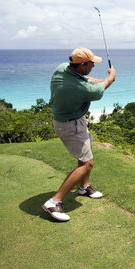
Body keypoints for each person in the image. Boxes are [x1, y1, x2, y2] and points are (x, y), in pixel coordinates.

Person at [42, 47, 116, 222]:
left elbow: (87, 80)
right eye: (91, 64)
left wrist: (104, 79)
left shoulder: (63, 68)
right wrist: (111, 76)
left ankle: (84, 187)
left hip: (73, 120)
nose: (93, 66)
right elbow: (98, 88)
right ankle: (54, 201)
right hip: (70, 125)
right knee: (87, 163)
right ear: (82, 65)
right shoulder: (80, 89)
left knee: (85, 152)